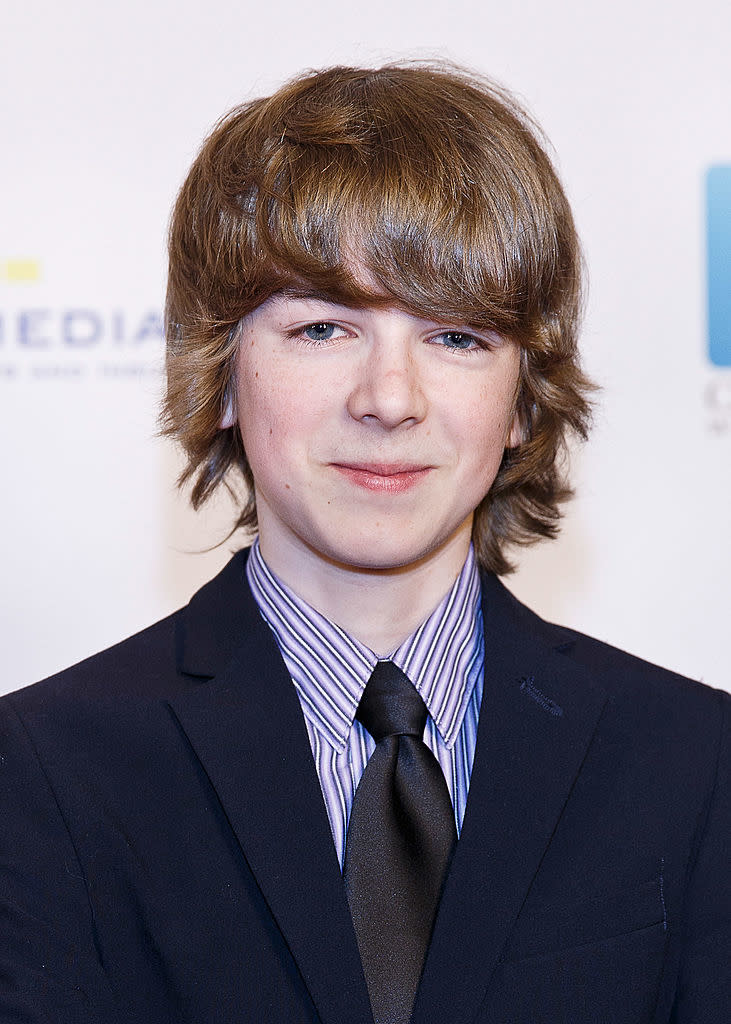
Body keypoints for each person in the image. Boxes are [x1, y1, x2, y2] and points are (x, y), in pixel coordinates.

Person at [1, 62, 728, 1024]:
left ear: (523, 394)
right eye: (322, 328)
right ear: (219, 372)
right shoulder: (40, 773)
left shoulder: (694, 763)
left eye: (457, 336)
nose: (389, 399)